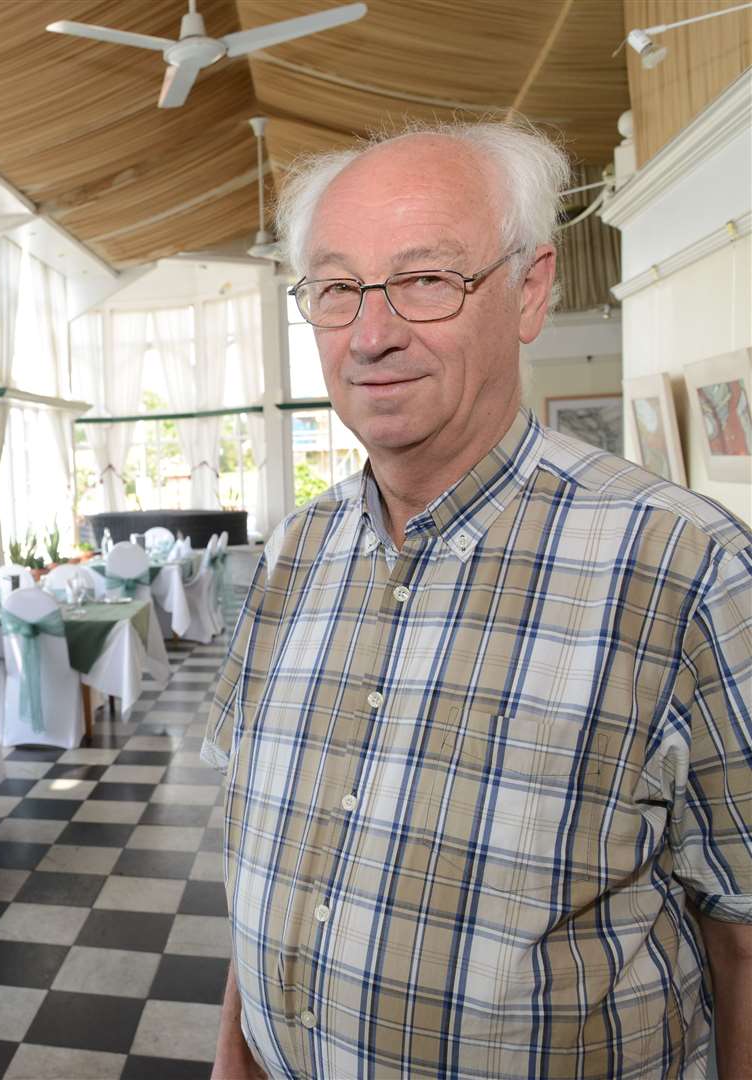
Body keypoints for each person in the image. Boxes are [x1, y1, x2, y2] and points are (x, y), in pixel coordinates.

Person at [203, 121, 752, 1079]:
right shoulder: (294, 553)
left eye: (425, 280)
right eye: (336, 289)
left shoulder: (685, 569)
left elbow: (745, 941)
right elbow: (273, 862)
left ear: (531, 290)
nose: (372, 335)